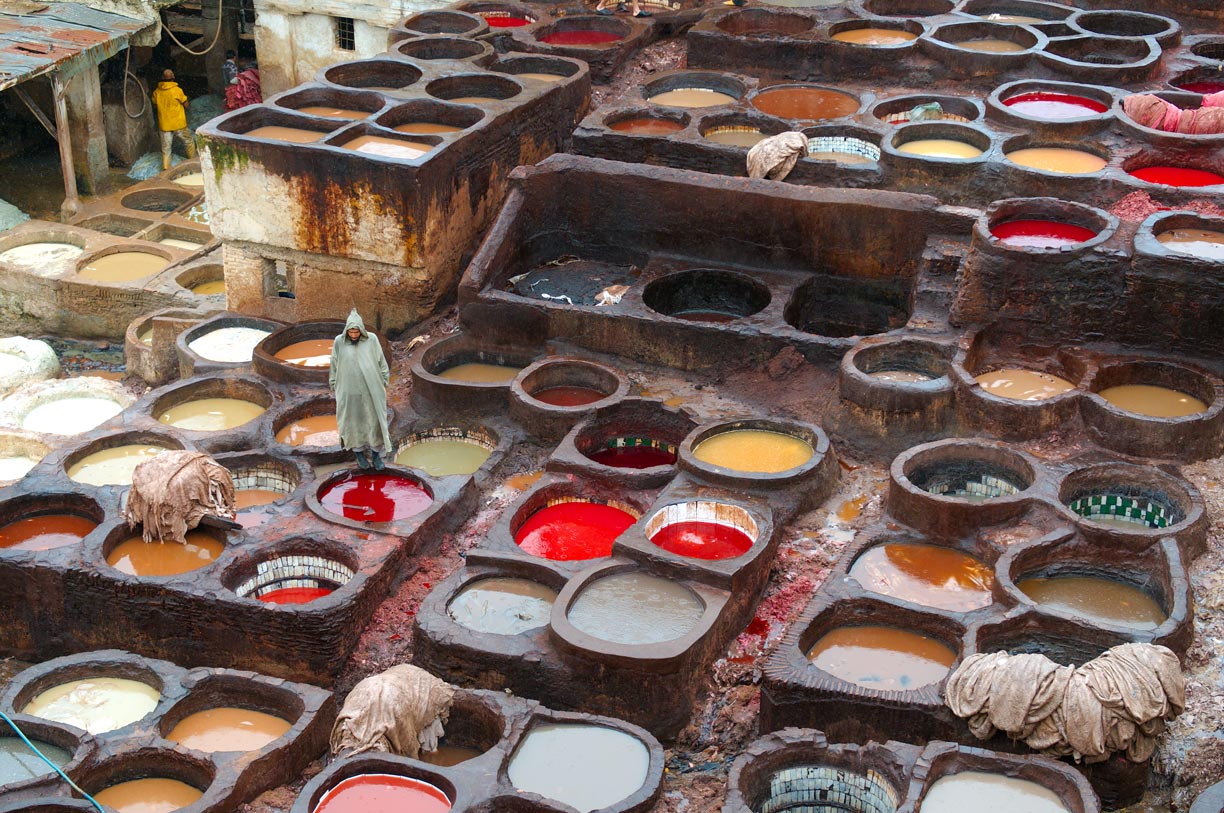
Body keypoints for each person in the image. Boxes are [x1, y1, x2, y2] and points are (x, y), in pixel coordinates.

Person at [329, 309, 392, 470]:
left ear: (362, 330)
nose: (354, 334)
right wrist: (333, 382)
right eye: (351, 331)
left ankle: (377, 456)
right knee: (353, 422)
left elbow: (380, 360)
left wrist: (384, 379)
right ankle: (359, 455)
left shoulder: (372, 340)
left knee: (374, 420)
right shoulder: (339, 341)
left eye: (356, 331)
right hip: (349, 391)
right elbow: (334, 363)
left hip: (372, 389)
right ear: (346, 331)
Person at [151, 69, 196, 170]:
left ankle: (166, 169)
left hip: (165, 125)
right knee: (188, 141)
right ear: (174, 77)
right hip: (178, 123)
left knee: (166, 149)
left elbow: (154, 103)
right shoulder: (177, 90)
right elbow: (186, 104)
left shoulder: (157, 92)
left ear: (162, 78)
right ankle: (193, 161)